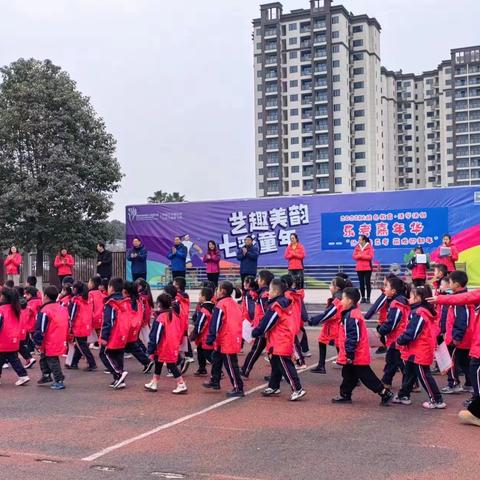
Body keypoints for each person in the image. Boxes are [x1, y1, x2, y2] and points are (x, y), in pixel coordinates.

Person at [331, 287, 393, 405]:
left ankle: (384, 392)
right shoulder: (351, 314)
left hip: (356, 354)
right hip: (355, 353)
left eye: (343, 299)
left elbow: (353, 336)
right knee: (348, 374)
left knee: (366, 376)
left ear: (350, 301)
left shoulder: (352, 316)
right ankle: (345, 394)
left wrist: (350, 353)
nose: (341, 301)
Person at [253, 279, 306, 401]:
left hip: (280, 339)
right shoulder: (283, 302)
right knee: (276, 364)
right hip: (280, 338)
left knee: (285, 365)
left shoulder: (277, 305)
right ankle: (274, 386)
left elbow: (268, 322)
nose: (268, 293)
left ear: (276, 291)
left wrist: (257, 331)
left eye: (270, 290)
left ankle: (297, 389)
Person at [394, 285, 446, 409]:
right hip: (417, 348)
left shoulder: (419, 312)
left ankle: (437, 399)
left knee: (424, 375)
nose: (409, 299)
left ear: (418, 298)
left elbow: (413, 332)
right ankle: (403, 395)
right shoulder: (422, 311)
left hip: (419, 349)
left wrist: (400, 340)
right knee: (409, 373)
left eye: (411, 297)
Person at [203, 281, 244, 397]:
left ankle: (238, 387)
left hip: (227, 337)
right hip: (230, 336)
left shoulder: (221, 304)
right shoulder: (233, 303)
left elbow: (216, 322)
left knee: (231, 364)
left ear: (222, 291)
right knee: (216, 358)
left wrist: (211, 337)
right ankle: (214, 380)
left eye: (218, 289)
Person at [146, 292, 188, 394]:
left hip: (163, 345)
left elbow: (156, 335)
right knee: (159, 362)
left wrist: (151, 347)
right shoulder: (174, 315)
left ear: (159, 304)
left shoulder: (161, 317)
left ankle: (181, 383)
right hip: (172, 343)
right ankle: (154, 381)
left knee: (170, 365)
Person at [441, 270, 474, 395]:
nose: (449, 284)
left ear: (456, 284)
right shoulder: (464, 297)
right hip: (465, 337)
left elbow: (461, 319)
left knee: (452, 361)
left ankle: (454, 383)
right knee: (465, 361)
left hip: (458, 338)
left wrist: (456, 336)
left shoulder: (459, 300)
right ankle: (469, 383)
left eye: (450, 282)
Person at [310, 276, 350, 374]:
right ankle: (321, 365)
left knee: (341, 350)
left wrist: (314, 320)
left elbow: (329, 313)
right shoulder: (339, 297)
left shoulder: (338, 299)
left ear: (337, 288)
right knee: (322, 341)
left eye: (331, 284)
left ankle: (351, 374)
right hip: (331, 326)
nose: (329, 286)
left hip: (335, 328)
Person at [34, 286, 69, 390]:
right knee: (44, 357)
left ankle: (59, 380)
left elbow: (41, 328)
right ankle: (46, 375)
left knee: (52, 360)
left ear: (46, 296)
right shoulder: (61, 307)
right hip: (60, 337)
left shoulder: (45, 310)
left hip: (50, 339)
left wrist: (37, 341)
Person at [378, 276, 410, 388]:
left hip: (397, 338)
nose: (384, 288)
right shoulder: (398, 301)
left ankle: (410, 384)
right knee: (392, 360)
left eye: (386, 286)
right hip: (395, 338)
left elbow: (393, 321)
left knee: (399, 362)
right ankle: (386, 380)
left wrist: (381, 331)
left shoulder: (397, 303)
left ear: (393, 291)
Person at [241, 270, 274, 379]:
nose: (257, 280)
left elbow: (266, 313)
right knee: (270, 351)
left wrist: (261, 327)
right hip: (265, 327)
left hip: (263, 328)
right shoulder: (262, 293)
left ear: (263, 281)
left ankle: (245, 370)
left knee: (256, 350)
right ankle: (276, 374)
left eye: (258, 278)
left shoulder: (264, 295)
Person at [99, 277, 130, 389]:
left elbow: (108, 321)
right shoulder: (125, 301)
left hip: (113, 334)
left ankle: (118, 374)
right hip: (123, 333)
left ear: (111, 288)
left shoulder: (111, 303)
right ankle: (119, 379)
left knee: (104, 354)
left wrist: (104, 337)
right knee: (118, 355)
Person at [0, 287, 30, 386]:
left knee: (6, 359)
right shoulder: (16, 309)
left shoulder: (1, 310)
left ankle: (23, 375)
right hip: (14, 339)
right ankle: (23, 375)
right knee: (14, 359)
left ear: (3, 297)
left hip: (2, 340)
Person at [67, 281, 97, 371]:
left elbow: (72, 314)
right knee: (80, 344)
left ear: (75, 289)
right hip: (86, 324)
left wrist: (70, 324)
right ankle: (74, 363)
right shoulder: (87, 299)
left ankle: (92, 363)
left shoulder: (76, 300)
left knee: (82, 345)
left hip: (78, 325)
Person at [189, 287, 215, 377]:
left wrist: (194, 334)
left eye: (200, 295)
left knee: (207, 353)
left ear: (203, 297)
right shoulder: (212, 307)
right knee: (200, 351)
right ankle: (202, 368)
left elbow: (201, 324)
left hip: (205, 335)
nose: (199, 297)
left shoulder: (204, 310)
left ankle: (217, 369)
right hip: (206, 335)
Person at [352, 235, 374, 304]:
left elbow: (370, 257)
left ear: (363, 240)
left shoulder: (369, 247)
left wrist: (361, 255)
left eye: (359, 239)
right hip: (359, 268)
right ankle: (363, 297)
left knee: (367, 283)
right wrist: (360, 256)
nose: (358, 241)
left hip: (367, 268)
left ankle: (368, 298)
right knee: (361, 283)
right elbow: (354, 256)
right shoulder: (357, 247)